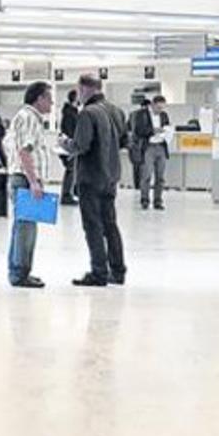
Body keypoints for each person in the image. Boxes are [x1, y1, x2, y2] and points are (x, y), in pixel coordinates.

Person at [69, 73, 127, 287]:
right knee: (110, 224)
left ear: (85, 89)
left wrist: (66, 144)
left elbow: (81, 146)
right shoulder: (116, 111)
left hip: (90, 177)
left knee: (92, 225)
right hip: (111, 175)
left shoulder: (88, 113)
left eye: (79, 90)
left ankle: (99, 272)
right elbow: (124, 140)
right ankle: (118, 270)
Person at [4, 81, 53, 289]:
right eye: (49, 99)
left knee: (22, 227)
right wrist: (34, 181)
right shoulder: (30, 118)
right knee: (26, 229)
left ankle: (18, 270)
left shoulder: (23, 117)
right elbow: (25, 151)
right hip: (25, 179)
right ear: (39, 99)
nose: (51, 103)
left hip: (21, 177)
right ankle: (20, 273)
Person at [135, 95, 172, 210]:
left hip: (161, 146)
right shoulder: (142, 114)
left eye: (162, 108)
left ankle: (158, 200)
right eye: (158, 108)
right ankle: (145, 200)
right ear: (152, 105)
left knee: (160, 177)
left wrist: (167, 131)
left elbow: (167, 126)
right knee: (146, 175)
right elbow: (138, 131)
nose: (160, 110)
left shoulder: (164, 115)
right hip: (148, 147)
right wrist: (153, 131)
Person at [58, 90, 80, 205]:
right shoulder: (70, 113)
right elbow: (70, 130)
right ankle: (66, 195)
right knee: (71, 170)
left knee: (73, 170)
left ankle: (71, 192)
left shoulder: (71, 112)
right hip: (70, 145)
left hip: (71, 144)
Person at [126, 99, 149, 190]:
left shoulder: (132, 114)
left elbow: (127, 128)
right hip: (143, 143)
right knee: (143, 165)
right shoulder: (147, 115)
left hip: (134, 143)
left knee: (136, 165)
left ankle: (137, 185)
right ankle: (142, 184)